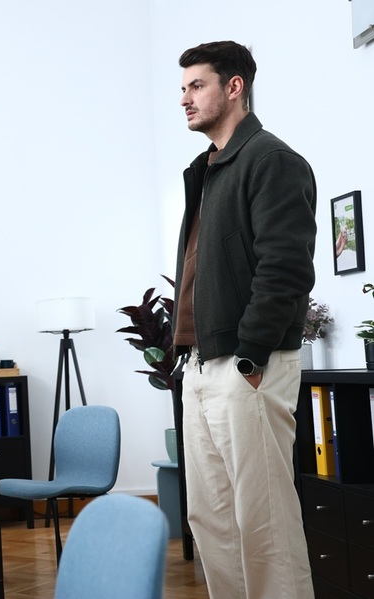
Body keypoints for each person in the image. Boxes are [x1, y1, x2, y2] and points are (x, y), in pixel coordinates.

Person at [173, 41, 316, 599]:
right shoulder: (207, 171)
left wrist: (251, 357)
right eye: (183, 88)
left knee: (265, 526)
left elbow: (285, 269)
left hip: (247, 366)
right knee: (212, 522)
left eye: (197, 85)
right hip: (200, 366)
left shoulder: (271, 160)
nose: (185, 98)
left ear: (235, 87)